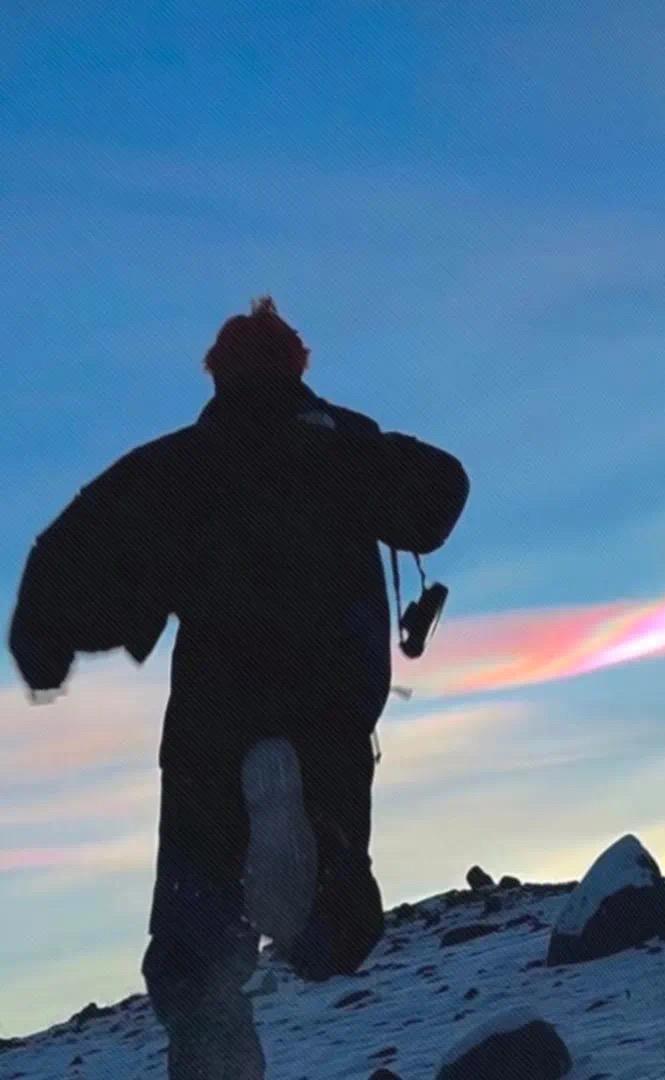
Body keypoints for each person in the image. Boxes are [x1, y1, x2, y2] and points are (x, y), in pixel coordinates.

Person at [7, 297, 470, 1079]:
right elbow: (441, 491)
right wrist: (346, 459)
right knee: (332, 934)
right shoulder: (349, 447)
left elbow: (76, 552)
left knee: (199, 949)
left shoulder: (181, 464)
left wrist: (44, 645)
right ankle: (314, 863)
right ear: (298, 368)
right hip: (329, 711)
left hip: (214, 724)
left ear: (218, 377)